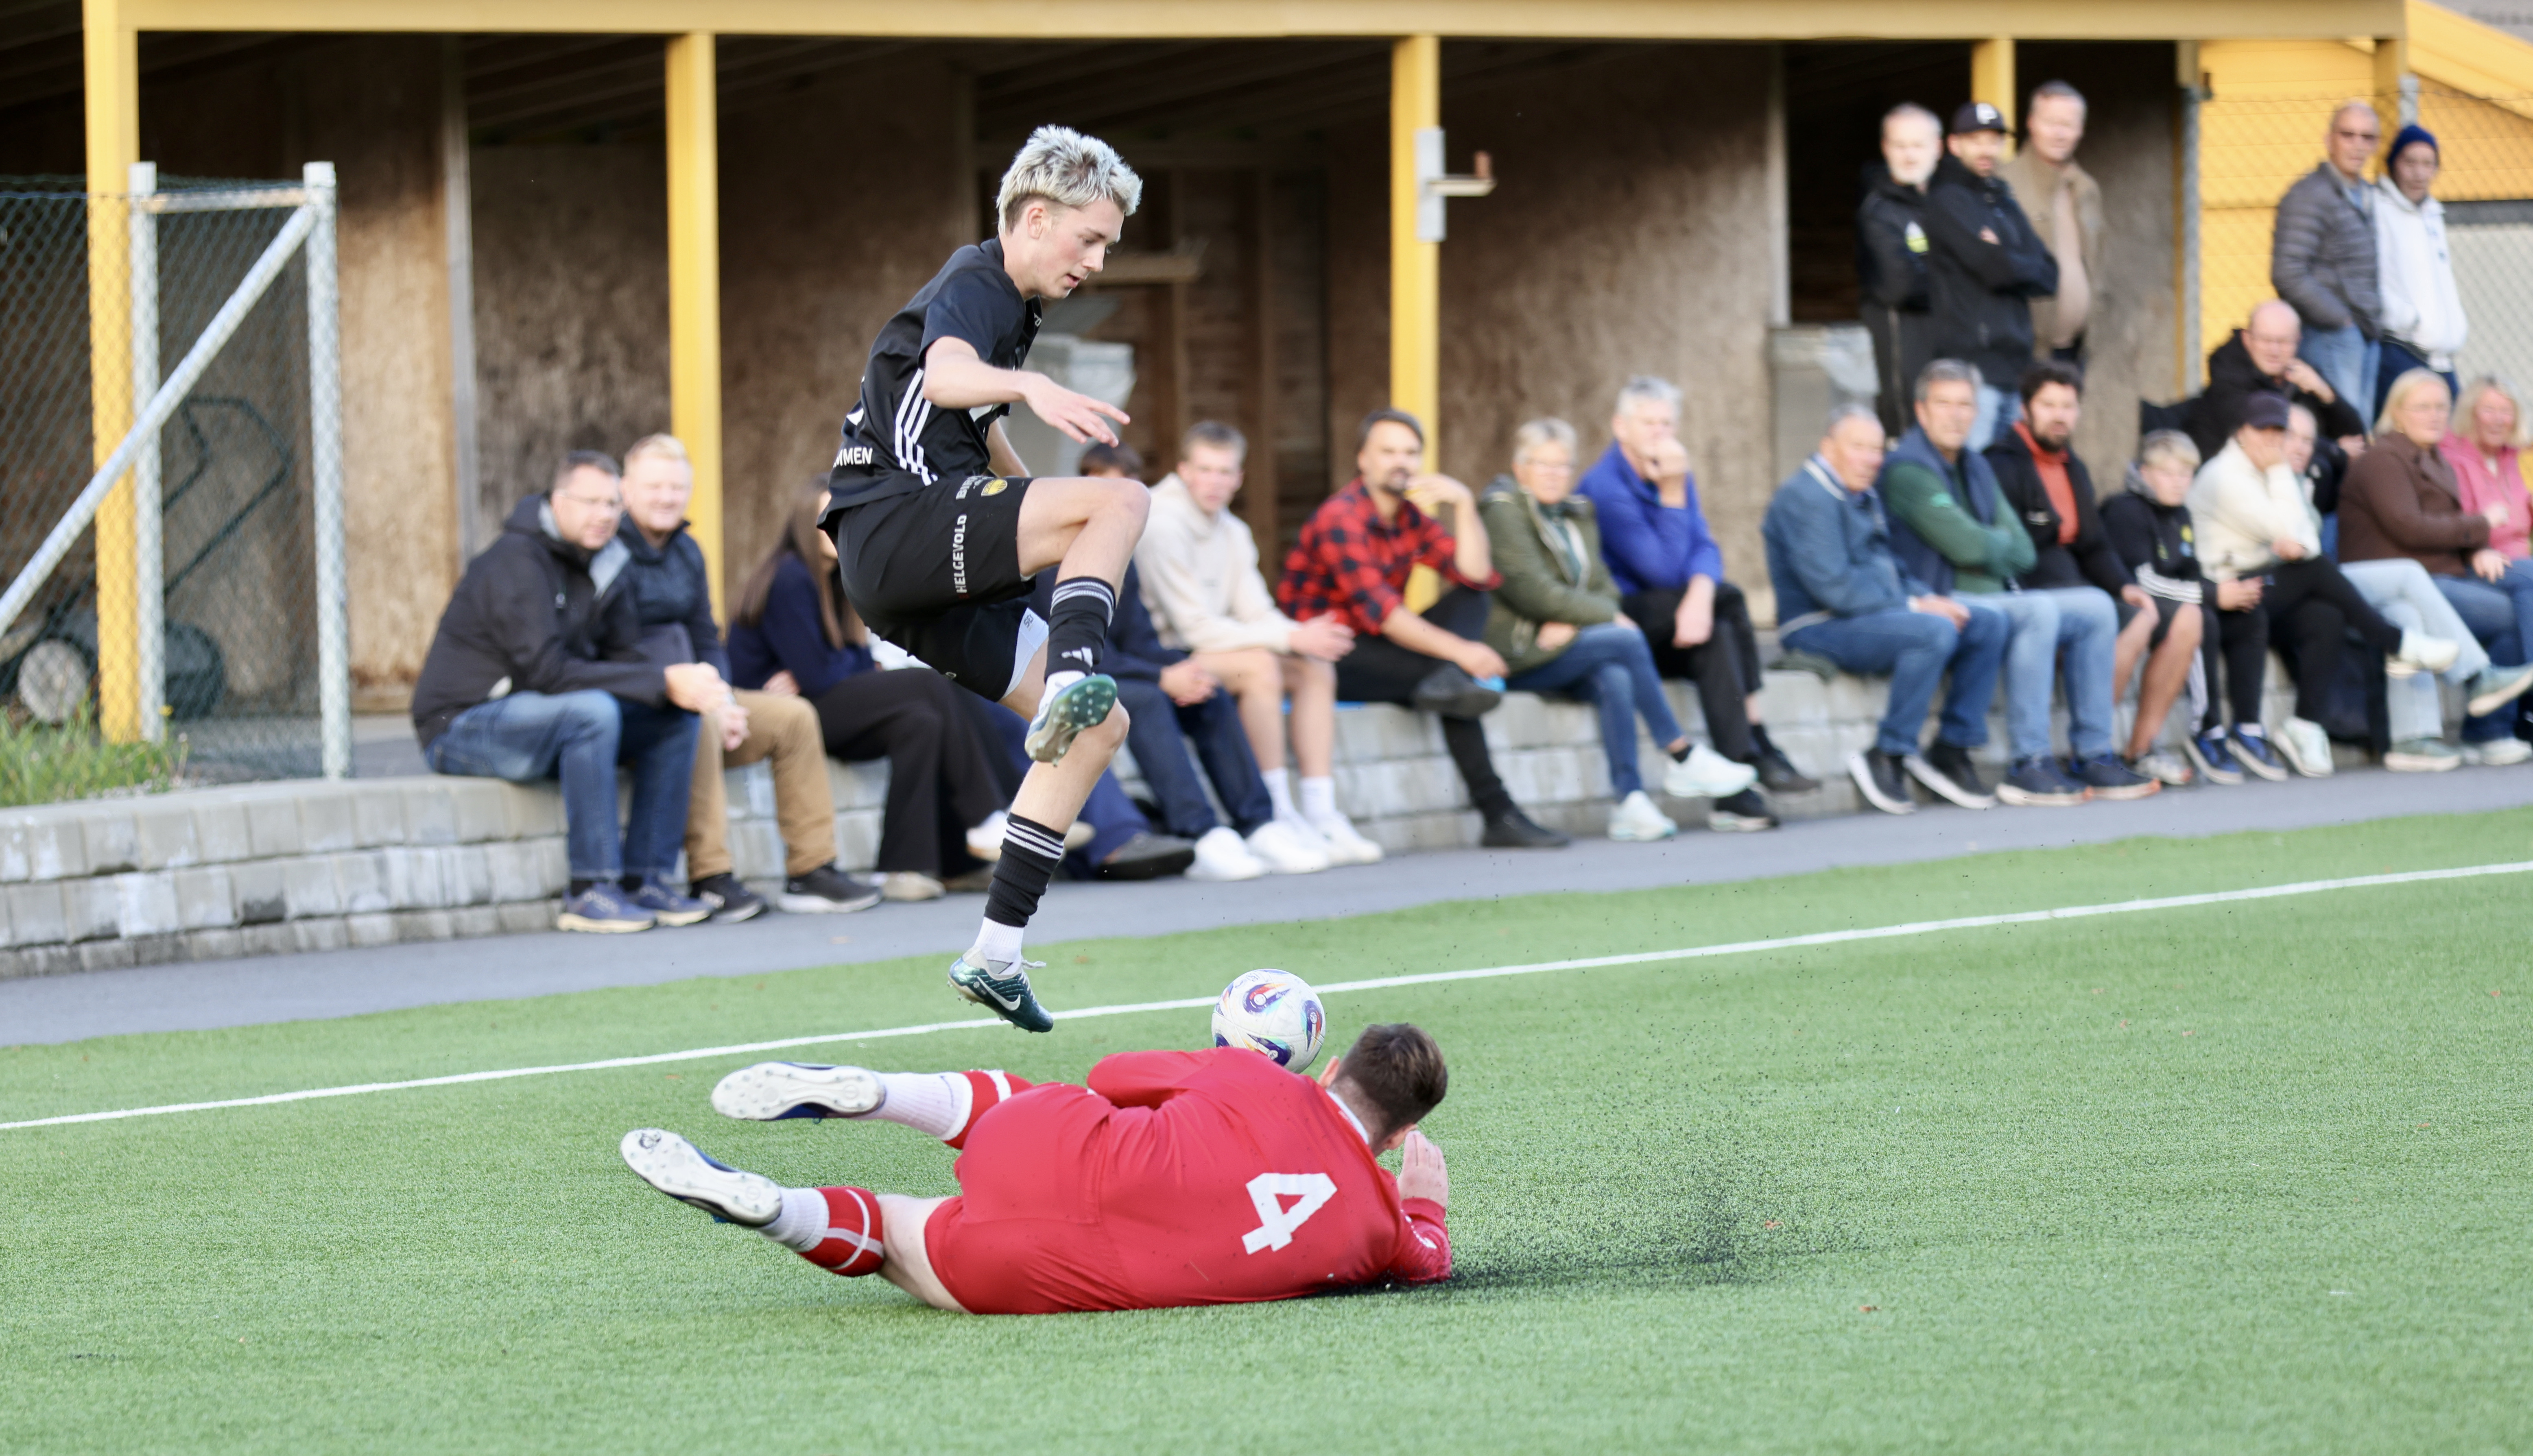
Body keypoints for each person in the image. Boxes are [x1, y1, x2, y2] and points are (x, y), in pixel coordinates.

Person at [818, 126, 1156, 1032]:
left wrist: (1033, 481)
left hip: (908, 576)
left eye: (1107, 247)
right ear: (1034, 217)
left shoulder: (1016, 304)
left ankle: (995, 953)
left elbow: (982, 439)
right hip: (896, 523)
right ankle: (1077, 674)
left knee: (1102, 730)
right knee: (1118, 503)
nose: (1096, 259)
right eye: (1088, 238)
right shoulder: (976, 281)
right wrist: (1031, 390)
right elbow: (950, 374)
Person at [619, 1022, 1454, 1314]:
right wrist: (1425, 1210)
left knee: (1047, 1100)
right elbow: (1428, 1260)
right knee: (901, 1239)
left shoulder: (1255, 1075)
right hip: (1040, 1271)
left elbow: (1115, 1074)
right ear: (1399, 1132)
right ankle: (776, 1208)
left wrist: (1214, 1084)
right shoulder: (1380, 1229)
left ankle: (882, 1091)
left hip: (1053, 1147)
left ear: (1331, 1064)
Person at [411, 451, 716, 933]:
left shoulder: (609, 559)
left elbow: (625, 656)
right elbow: (547, 672)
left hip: (541, 715)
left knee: (673, 717)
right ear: (558, 501)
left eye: (613, 504)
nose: (604, 515)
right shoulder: (515, 560)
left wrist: (671, 685)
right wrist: (660, 679)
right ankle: (590, 888)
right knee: (592, 712)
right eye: (591, 502)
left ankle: (646, 880)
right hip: (462, 724)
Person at [1278, 409, 1569, 849]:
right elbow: (1386, 615)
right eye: (1388, 451)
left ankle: (1497, 810)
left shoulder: (1408, 516)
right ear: (1363, 459)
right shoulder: (1341, 517)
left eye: (1410, 453)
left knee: (1469, 614)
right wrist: (1461, 652)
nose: (1401, 462)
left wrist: (1465, 504)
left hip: (1384, 648)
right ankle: (1499, 814)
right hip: (1327, 656)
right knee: (1450, 679)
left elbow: (1475, 576)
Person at [616, 436, 880, 919]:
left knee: (794, 717)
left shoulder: (687, 551)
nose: (666, 497)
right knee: (697, 719)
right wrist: (696, 697)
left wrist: (721, 695)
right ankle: (711, 876)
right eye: (654, 486)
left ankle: (811, 870)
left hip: (698, 689)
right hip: (640, 694)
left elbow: (705, 636)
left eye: (677, 487)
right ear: (626, 489)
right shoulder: (607, 549)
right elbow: (610, 645)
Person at [1479, 419, 1769, 838]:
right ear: (1519, 467)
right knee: (1624, 636)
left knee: (1615, 676)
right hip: (1523, 649)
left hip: (1567, 644)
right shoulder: (1502, 509)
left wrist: (1577, 617)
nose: (1554, 474)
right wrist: (1593, 615)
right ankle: (1681, 754)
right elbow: (1532, 591)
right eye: (1543, 464)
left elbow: (1608, 591)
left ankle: (1630, 802)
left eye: (1563, 465)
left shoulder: (1576, 513)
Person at [1880, 360, 2152, 804]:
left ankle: (2093, 753)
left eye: (1964, 404)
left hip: (1991, 595)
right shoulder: (1909, 470)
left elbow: (2022, 549)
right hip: (1940, 597)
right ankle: (2029, 762)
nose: (1955, 414)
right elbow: (1967, 547)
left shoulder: (1973, 463)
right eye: (1943, 404)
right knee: (2039, 610)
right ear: (1921, 411)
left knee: (2097, 607)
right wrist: (1990, 545)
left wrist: (1984, 544)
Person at [730, 488, 1014, 902]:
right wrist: (849, 666)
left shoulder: (841, 578)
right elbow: (821, 675)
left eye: (844, 517)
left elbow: (848, 660)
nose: (837, 526)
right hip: (787, 716)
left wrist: (847, 665)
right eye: (827, 517)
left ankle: (918, 867)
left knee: (920, 723)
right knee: (932, 682)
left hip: (824, 702)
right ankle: (990, 814)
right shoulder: (790, 576)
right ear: (804, 526)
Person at [1076, 441, 1330, 879]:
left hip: (1121, 669)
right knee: (1148, 700)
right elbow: (1083, 651)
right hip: (1068, 678)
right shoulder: (1062, 555)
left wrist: (1178, 669)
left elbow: (1138, 638)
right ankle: (1199, 831)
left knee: (1204, 687)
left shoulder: (1122, 556)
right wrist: (1161, 676)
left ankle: (1258, 822)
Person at [1131, 423, 1383, 865]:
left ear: (1239, 478)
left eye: (1225, 472)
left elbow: (1255, 612)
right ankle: (1276, 814)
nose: (1214, 481)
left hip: (1215, 648)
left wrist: (1302, 638)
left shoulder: (1233, 530)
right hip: (1167, 654)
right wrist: (1287, 635)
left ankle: (1321, 814)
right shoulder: (1162, 522)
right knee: (1260, 666)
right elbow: (1193, 628)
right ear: (1183, 470)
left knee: (1312, 666)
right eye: (1205, 470)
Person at [2187, 392, 2452, 777]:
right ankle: (2395, 643)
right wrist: (2281, 473)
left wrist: (2289, 527)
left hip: (2259, 586)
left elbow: (2305, 540)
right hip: (2222, 595)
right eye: (2264, 431)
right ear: (2242, 432)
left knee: (2324, 615)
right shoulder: (2227, 475)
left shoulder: (2263, 471)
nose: (2273, 441)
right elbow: (2294, 540)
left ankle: (2306, 726)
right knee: (2314, 571)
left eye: (2280, 433)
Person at [1765, 403, 2009, 816]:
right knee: (1934, 631)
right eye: (1858, 447)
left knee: (1985, 622)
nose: (1871, 459)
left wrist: (1930, 598)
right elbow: (1834, 588)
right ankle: (1888, 753)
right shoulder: (1805, 496)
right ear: (1828, 446)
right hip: (1817, 625)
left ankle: (1951, 748)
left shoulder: (1862, 492)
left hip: (1872, 615)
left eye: (1877, 449)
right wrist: (1915, 605)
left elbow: (1893, 567)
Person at [1575, 376, 1813, 795]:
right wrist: (1671, 491)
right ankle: (1758, 736)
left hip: (1676, 617)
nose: (1659, 433)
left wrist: (1701, 595)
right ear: (1620, 427)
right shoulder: (1606, 487)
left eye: (1667, 424)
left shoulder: (1674, 471)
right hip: (1624, 616)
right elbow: (1661, 573)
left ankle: (1737, 777)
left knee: (1719, 632)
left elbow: (1705, 546)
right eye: (1648, 423)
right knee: (1731, 597)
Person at [1987, 363, 2193, 788]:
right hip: (2030, 591)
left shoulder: (2072, 466)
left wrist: (2125, 586)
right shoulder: (2002, 463)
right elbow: (2009, 549)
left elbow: (2094, 544)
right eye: (2048, 405)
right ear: (2026, 408)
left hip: (2078, 589)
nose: (2059, 415)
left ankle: (2112, 751)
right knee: (2110, 612)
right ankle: (2077, 751)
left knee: (2157, 614)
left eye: (2068, 406)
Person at [2336, 369, 2533, 768]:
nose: (2434, 415)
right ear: (2397, 411)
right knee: (2509, 603)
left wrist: (2477, 546)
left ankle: (2457, 738)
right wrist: (2480, 528)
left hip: (2428, 579)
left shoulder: (2433, 458)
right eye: (2422, 407)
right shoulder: (2382, 459)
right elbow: (2407, 526)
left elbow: (2448, 524)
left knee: (2499, 604)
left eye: (2441, 407)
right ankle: (2481, 685)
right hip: (2380, 583)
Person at [2103, 431, 2279, 786]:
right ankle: (2207, 730)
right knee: (2198, 616)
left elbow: (2191, 573)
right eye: (2168, 473)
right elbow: (2144, 581)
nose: (2178, 483)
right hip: (2131, 606)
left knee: (2249, 616)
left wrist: (2227, 593)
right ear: (2145, 472)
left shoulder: (2180, 514)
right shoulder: (2125, 509)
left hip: (2173, 603)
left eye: (2186, 474)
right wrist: (2213, 595)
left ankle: (2246, 726)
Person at [1923, 101, 2057, 450]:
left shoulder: (2003, 199)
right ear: (1955, 145)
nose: (1987, 150)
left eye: (1994, 141)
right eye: (1976, 140)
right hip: (1973, 370)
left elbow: (2049, 274)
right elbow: (1993, 270)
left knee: (2005, 478)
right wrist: (2014, 260)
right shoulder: (1948, 199)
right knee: (1972, 473)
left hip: (2015, 368)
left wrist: (2004, 255)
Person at [2272, 100, 2385, 420]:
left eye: (2367, 137)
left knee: (2360, 431)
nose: (2358, 145)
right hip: (2329, 336)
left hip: (2366, 333)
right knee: (2342, 430)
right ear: (2329, 139)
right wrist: (2341, 321)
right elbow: (2287, 272)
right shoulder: (2309, 195)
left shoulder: (2366, 193)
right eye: (2348, 135)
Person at [2184, 299, 2367, 489]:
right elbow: (2268, 435)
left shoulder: (2299, 371)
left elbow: (2356, 437)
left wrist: (2324, 392)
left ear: (2298, 339)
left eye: (2284, 341)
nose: (2275, 350)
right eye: (2266, 340)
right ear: (2247, 339)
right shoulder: (2228, 374)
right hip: (2229, 486)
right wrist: (2335, 451)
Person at [2440, 374, 2533, 735]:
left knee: (2524, 600)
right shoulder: (2453, 456)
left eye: (2506, 411)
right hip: (2472, 563)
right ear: (2471, 414)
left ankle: (2508, 722)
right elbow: (2450, 516)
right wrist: (2477, 547)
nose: (2498, 419)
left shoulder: (2515, 458)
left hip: (2517, 568)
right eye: (2489, 410)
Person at [1997, 80, 2101, 365]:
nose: (2059, 133)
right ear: (2031, 123)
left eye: (2068, 124)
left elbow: (2095, 262)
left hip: (2074, 350)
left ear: (2080, 129)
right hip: (2023, 350)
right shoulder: (2004, 183)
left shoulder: (2086, 187)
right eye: (2051, 122)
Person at [2372, 123, 2466, 419]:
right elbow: (2371, 279)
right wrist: (2410, 321)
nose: (2419, 173)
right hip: (2403, 351)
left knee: (2455, 445)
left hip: (2440, 359)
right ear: (2394, 165)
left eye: (2428, 164)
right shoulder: (2379, 209)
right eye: (2410, 162)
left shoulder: (2432, 214)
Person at [1859, 102, 1942, 437]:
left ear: (1937, 147)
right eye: (1900, 145)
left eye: (1918, 145)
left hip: (1951, 358)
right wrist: (1957, 281)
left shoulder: (1950, 201)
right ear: (1885, 149)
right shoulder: (1879, 211)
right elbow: (1900, 285)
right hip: (1905, 361)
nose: (1910, 156)